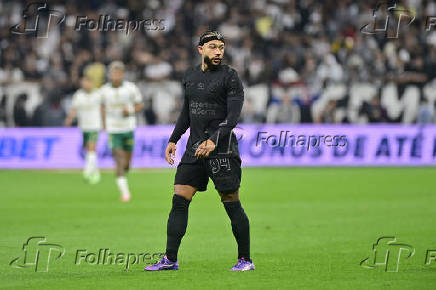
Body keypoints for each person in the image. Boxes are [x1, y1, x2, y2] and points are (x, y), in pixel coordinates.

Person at [145, 31, 254, 272]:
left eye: (222, 47)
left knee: (231, 201)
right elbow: (187, 112)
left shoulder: (230, 77)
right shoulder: (191, 76)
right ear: (200, 50)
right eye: (213, 47)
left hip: (222, 150)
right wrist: (174, 138)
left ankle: (245, 260)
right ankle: (170, 259)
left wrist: (214, 140)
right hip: (194, 148)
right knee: (179, 198)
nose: (218, 52)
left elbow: (233, 117)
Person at [100, 61, 143, 202]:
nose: (116, 76)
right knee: (118, 159)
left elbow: (140, 105)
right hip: (113, 129)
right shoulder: (104, 90)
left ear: (123, 74)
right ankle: (125, 193)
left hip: (128, 127)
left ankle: (124, 174)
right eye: (113, 73)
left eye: (118, 73)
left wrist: (129, 110)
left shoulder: (130, 88)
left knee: (127, 163)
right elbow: (102, 107)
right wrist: (103, 124)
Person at [65, 76, 102, 184]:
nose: (85, 84)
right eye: (83, 82)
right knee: (89, 150)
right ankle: (96, 173)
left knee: (91, 147)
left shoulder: (98, 95)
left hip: (95, 126)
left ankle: (87, 171)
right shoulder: (78, 95)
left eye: (87, 82)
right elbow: (74, 109)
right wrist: (69, 119)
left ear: (92, 83)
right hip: (84, 126)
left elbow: (103, 109)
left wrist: (104, 123)